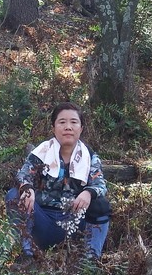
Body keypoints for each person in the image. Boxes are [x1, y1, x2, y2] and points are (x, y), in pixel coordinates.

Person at [6, 102, 111, 259]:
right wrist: (27, 188)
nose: (68, 127)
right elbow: (23, 174)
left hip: (75, 224)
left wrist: (88, 193)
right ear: (54, 128)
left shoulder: (89, 156)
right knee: (14, 195)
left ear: (81, 128)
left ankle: (91, 259)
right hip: (42, 224)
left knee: (100, 204)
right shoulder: (41, 153)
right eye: (62, 122)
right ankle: (27, 253)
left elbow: (100, 184)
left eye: (74, 122)